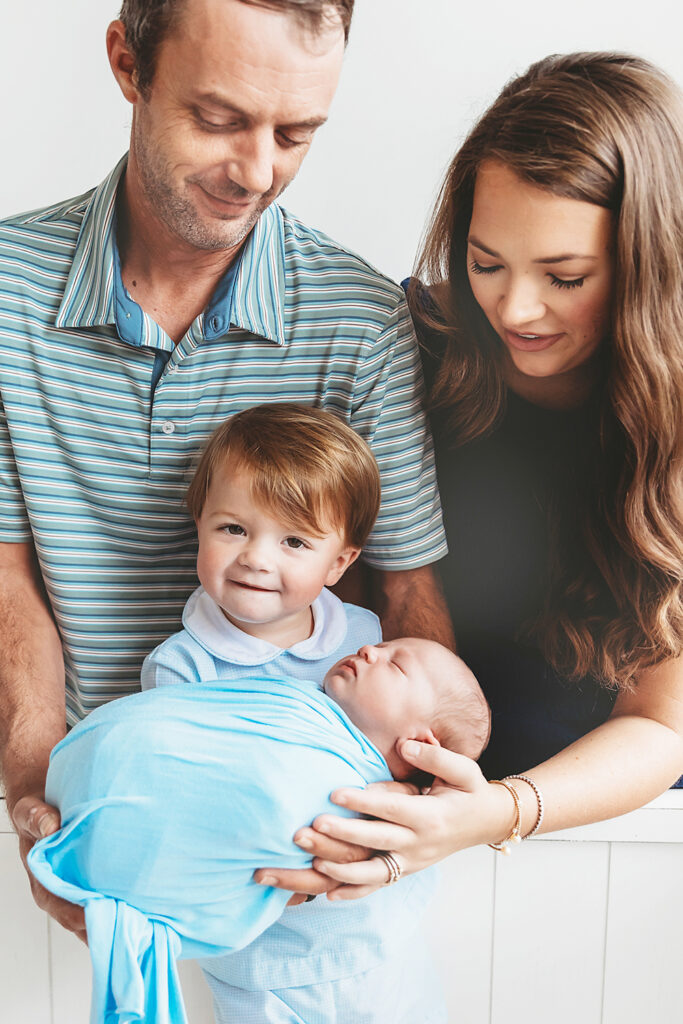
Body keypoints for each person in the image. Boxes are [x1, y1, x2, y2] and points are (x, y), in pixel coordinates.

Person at [0, 0, 453, 957]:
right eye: (217, 118)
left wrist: (394, 819)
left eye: (295, 134)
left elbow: (405, 591)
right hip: (75, 798)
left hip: (295, 851)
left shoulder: (359, 322)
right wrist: (45, 803)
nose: (256, 173)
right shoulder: (4, 294)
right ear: (129, 62)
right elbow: (9, 577)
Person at [260, 53, 683, 902]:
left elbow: (659, 724)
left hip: (601, 838)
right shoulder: (403, 344)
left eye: (563, 277)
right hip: (371, 798)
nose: (514, 310)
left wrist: (492, 813)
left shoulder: (668, 430)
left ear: (646, 264)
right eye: (486, 263)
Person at [28, 639, 489, 1024]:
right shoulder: (282, 703)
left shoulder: (376, 799)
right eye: (384, 646)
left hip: (366, 966)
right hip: (248, 975)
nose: (370, 649)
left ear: (422, 748)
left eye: (396, 664)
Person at [140, 402, 384, 691]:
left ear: (337, 564)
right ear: (201, 525)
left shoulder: (364, 639)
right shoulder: (180, 668)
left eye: (294, 541)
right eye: (234, 529)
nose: (255, 560)